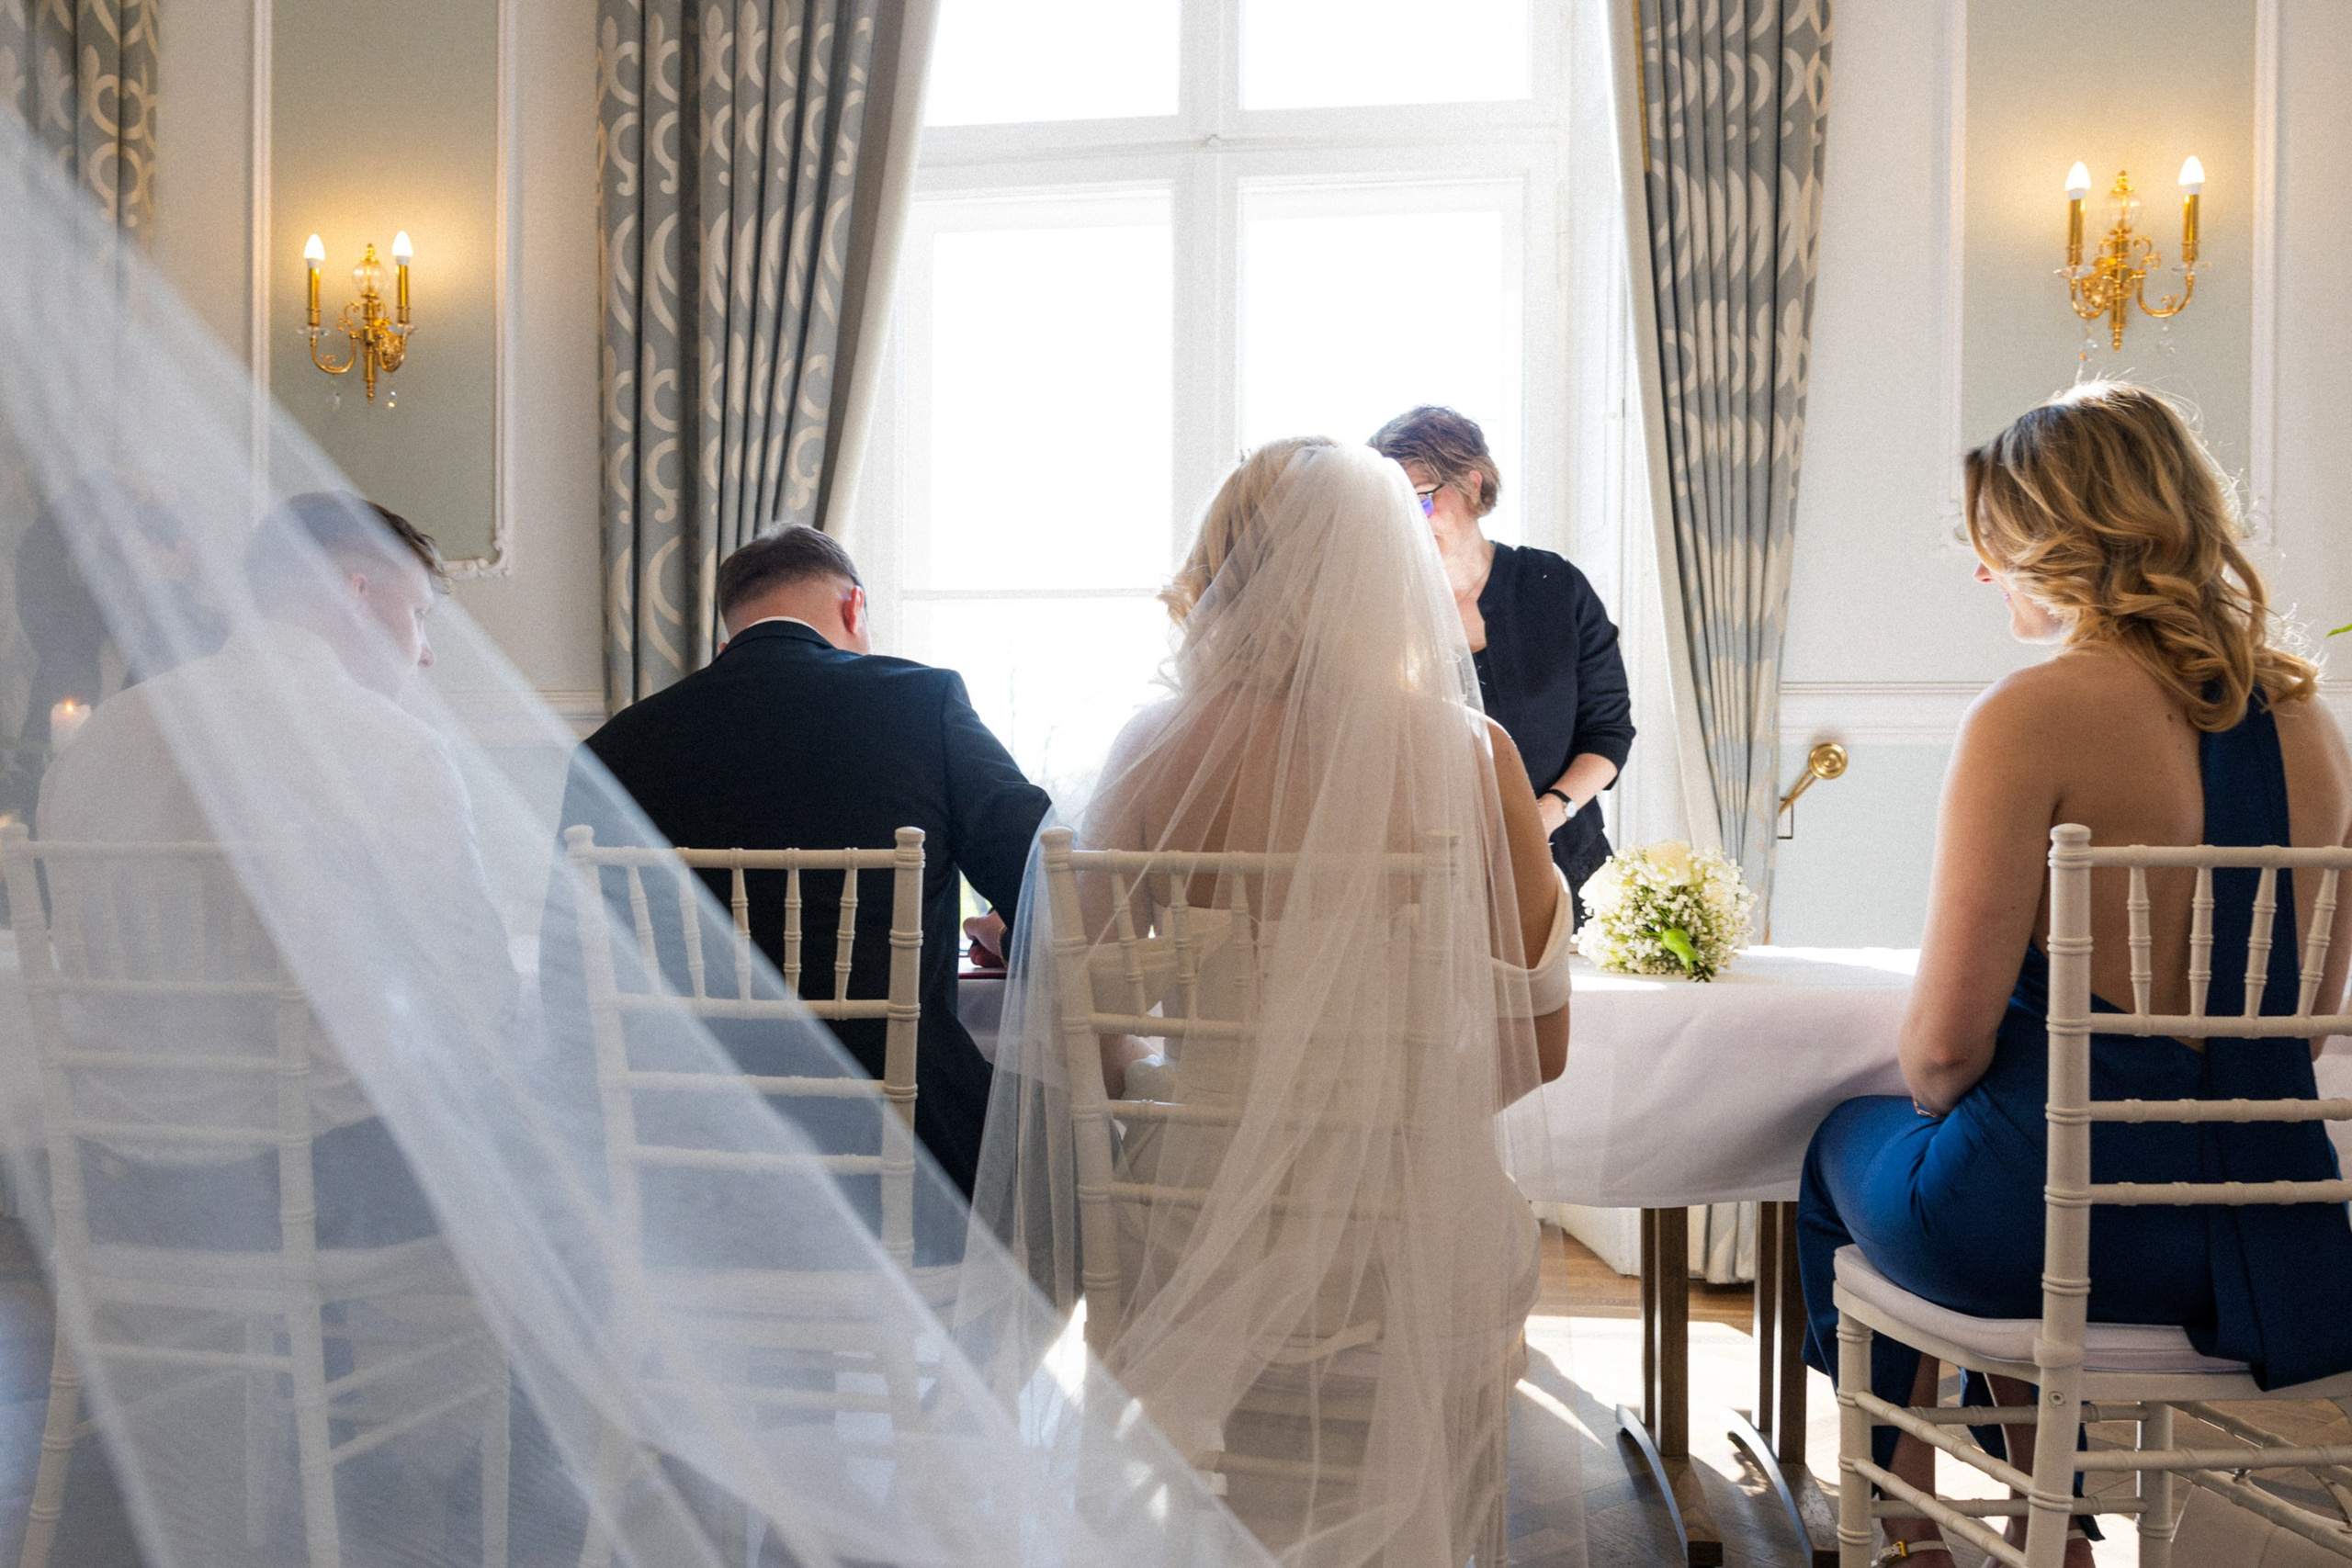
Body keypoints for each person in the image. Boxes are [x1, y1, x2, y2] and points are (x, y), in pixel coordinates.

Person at [973, 438, 1571, 1566]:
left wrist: (1205, 1109)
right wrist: (1391, 1130)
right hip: (1406, 1233)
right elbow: (1541, 1045)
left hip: (1184, 1223)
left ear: (1222, 573)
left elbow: (1081, 1031)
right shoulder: (1474, 754)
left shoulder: (1154, 751)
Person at [1794, 382, 2352, 1566]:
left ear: (2051, 544)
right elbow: (2301, 1033)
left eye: (1992, 547)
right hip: (2271, 1225)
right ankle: (2051, 1511)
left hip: (2048, 1232)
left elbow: (1941, 1050)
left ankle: (1911, 1529)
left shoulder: (2029, 715)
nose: (1984, 572)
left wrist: (1943, 1110)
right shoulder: (2310, 725)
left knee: (1842, 1142)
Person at [36, 491, 507, 1248]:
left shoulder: (99, 741)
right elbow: (478, 990)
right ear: (357, 593)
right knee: (556, 1161)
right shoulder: (393, 749)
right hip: (308, 1188)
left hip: (123, 1176)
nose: (426, 651)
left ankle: (292, 1357)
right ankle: (423, 1362)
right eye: (419, 614)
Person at [563, 525, 1050, 1200]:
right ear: (854, 608)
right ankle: (974, 1309)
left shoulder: (611, 750)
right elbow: (1047, 891)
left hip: (684, 1174)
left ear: (727, 637)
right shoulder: (923, 703)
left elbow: (569, 976)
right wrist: (997, 932)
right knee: (1074, 1145)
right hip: (914, 1163)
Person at [1371, 406, 1634, 919]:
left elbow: (1608, 733)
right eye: (1392, 507)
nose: (1409, 522)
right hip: (1422, 883)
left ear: (1472, 485)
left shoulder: (1555, 586)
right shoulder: (1378, 605)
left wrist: (1545, 815)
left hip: (1562, 862)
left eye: (1421, 501)